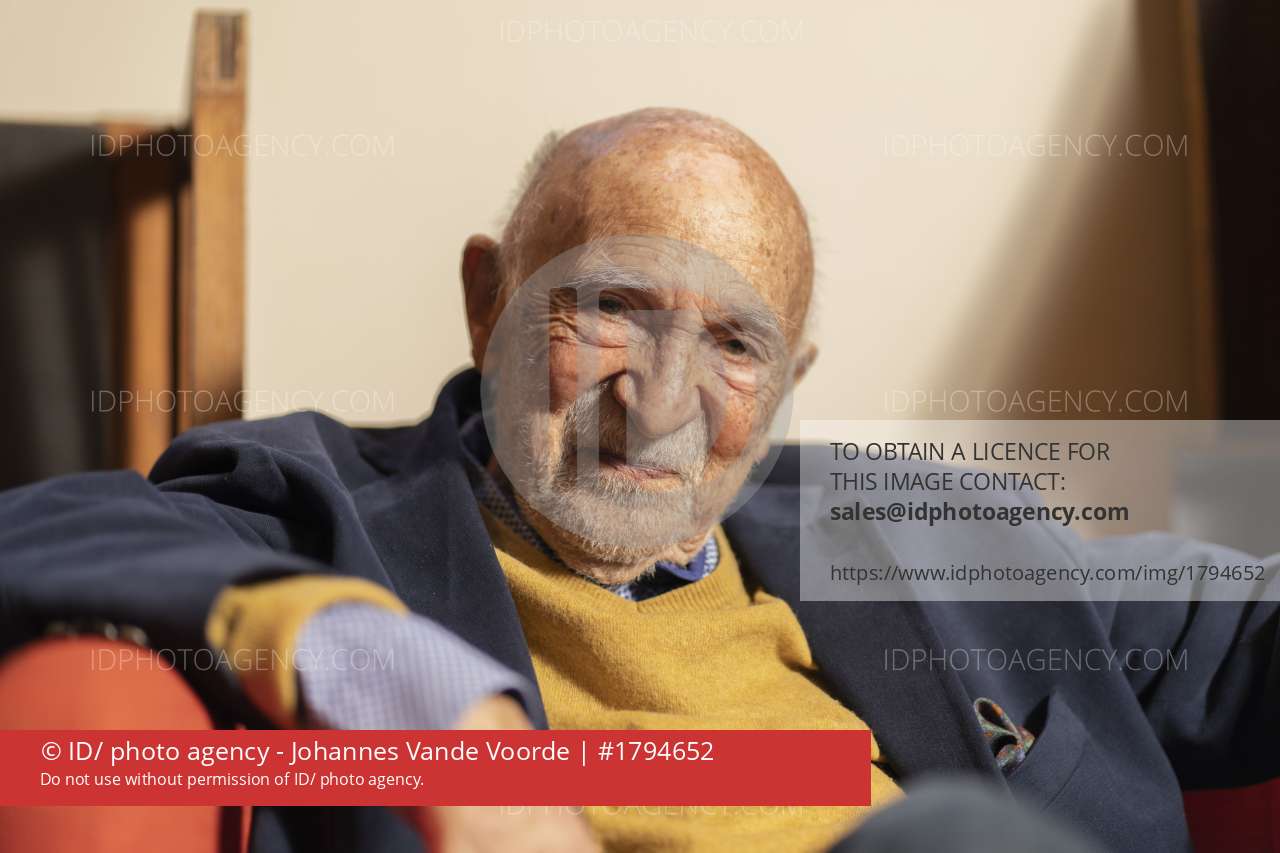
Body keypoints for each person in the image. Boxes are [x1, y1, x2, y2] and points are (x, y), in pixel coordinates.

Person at [0, 108, 1276, 853]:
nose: (661, 400)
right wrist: (411, 693)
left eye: (734, 344)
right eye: (610, 307)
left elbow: (1237, 629)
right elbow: (42, 532)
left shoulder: (897, 525)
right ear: (488, 301)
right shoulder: (326, 500)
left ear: (786, 381)